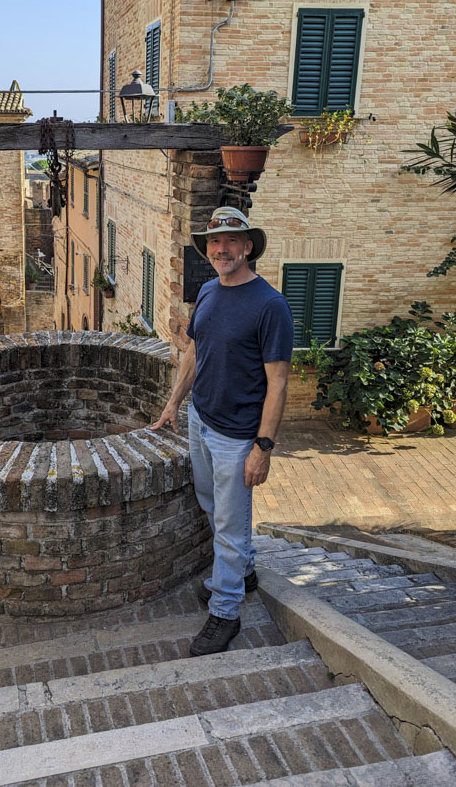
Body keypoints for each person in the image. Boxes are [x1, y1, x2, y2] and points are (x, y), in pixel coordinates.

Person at [151, 206, 293, 656]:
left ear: (248, 247)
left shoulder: (270, 306)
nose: (222, 248)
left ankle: (225, 611)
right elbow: (194, 351)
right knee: (210, 504)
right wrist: (174, 403)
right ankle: (243, 572)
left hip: (237, 437)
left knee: (231, 526)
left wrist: (263, 447)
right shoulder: (208, 291)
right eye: (214, 241)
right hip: (201, 420)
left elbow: (278, 382)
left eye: (231, 240)